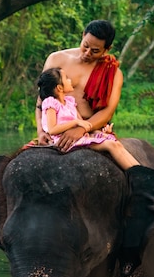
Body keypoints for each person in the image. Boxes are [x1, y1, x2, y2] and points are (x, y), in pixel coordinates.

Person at [35, 20, 123, 150]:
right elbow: (42, 99)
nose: (87, 53)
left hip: (91, 129)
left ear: (107, 49)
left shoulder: (113, 73)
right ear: (83, 35)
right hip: (56, 130)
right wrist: (41, 131)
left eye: (95, 51)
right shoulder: (56, 59)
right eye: (85, 46)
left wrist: (81, 128)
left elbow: (107, 112)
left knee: (117, 152)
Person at [37, 67, 140, 170]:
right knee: (111, 145)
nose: (70, 80)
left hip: (79, 137)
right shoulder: (51, 103)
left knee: (115, 143)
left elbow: (83, 124)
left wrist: (102, 132)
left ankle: (140, 170)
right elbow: (52, 129)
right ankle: (138, 174)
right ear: (60, 88)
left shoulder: (69, 102)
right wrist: (75, 122)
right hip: (66, 141)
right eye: (66, 78)